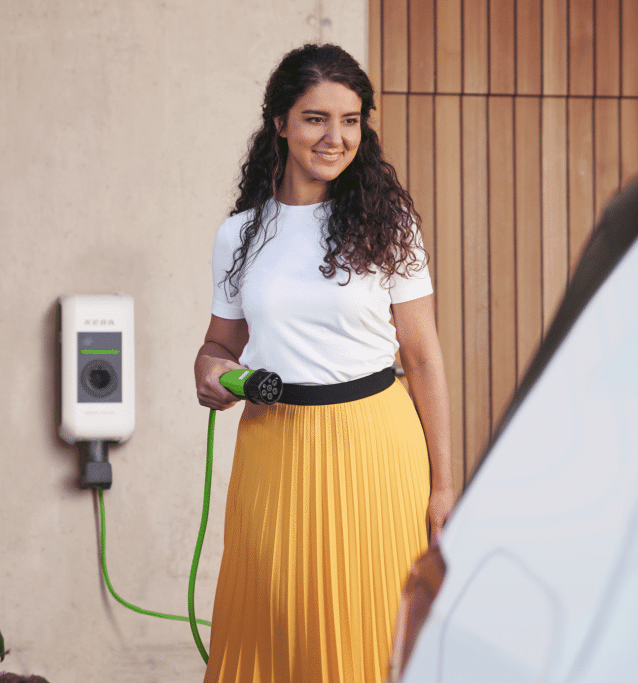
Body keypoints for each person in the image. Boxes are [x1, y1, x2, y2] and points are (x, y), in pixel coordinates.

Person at [194, 43, 455, 683]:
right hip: (272, 447)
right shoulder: (242, 234)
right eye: (316, 118)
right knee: (273, 630)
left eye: (351, 119)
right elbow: (218, 346)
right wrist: (210, 372)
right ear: (279, 122)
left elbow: (421, 356)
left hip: (377, 446)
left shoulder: (388, 223)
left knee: (372, 632)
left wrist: (445, 484)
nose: (335, 137)